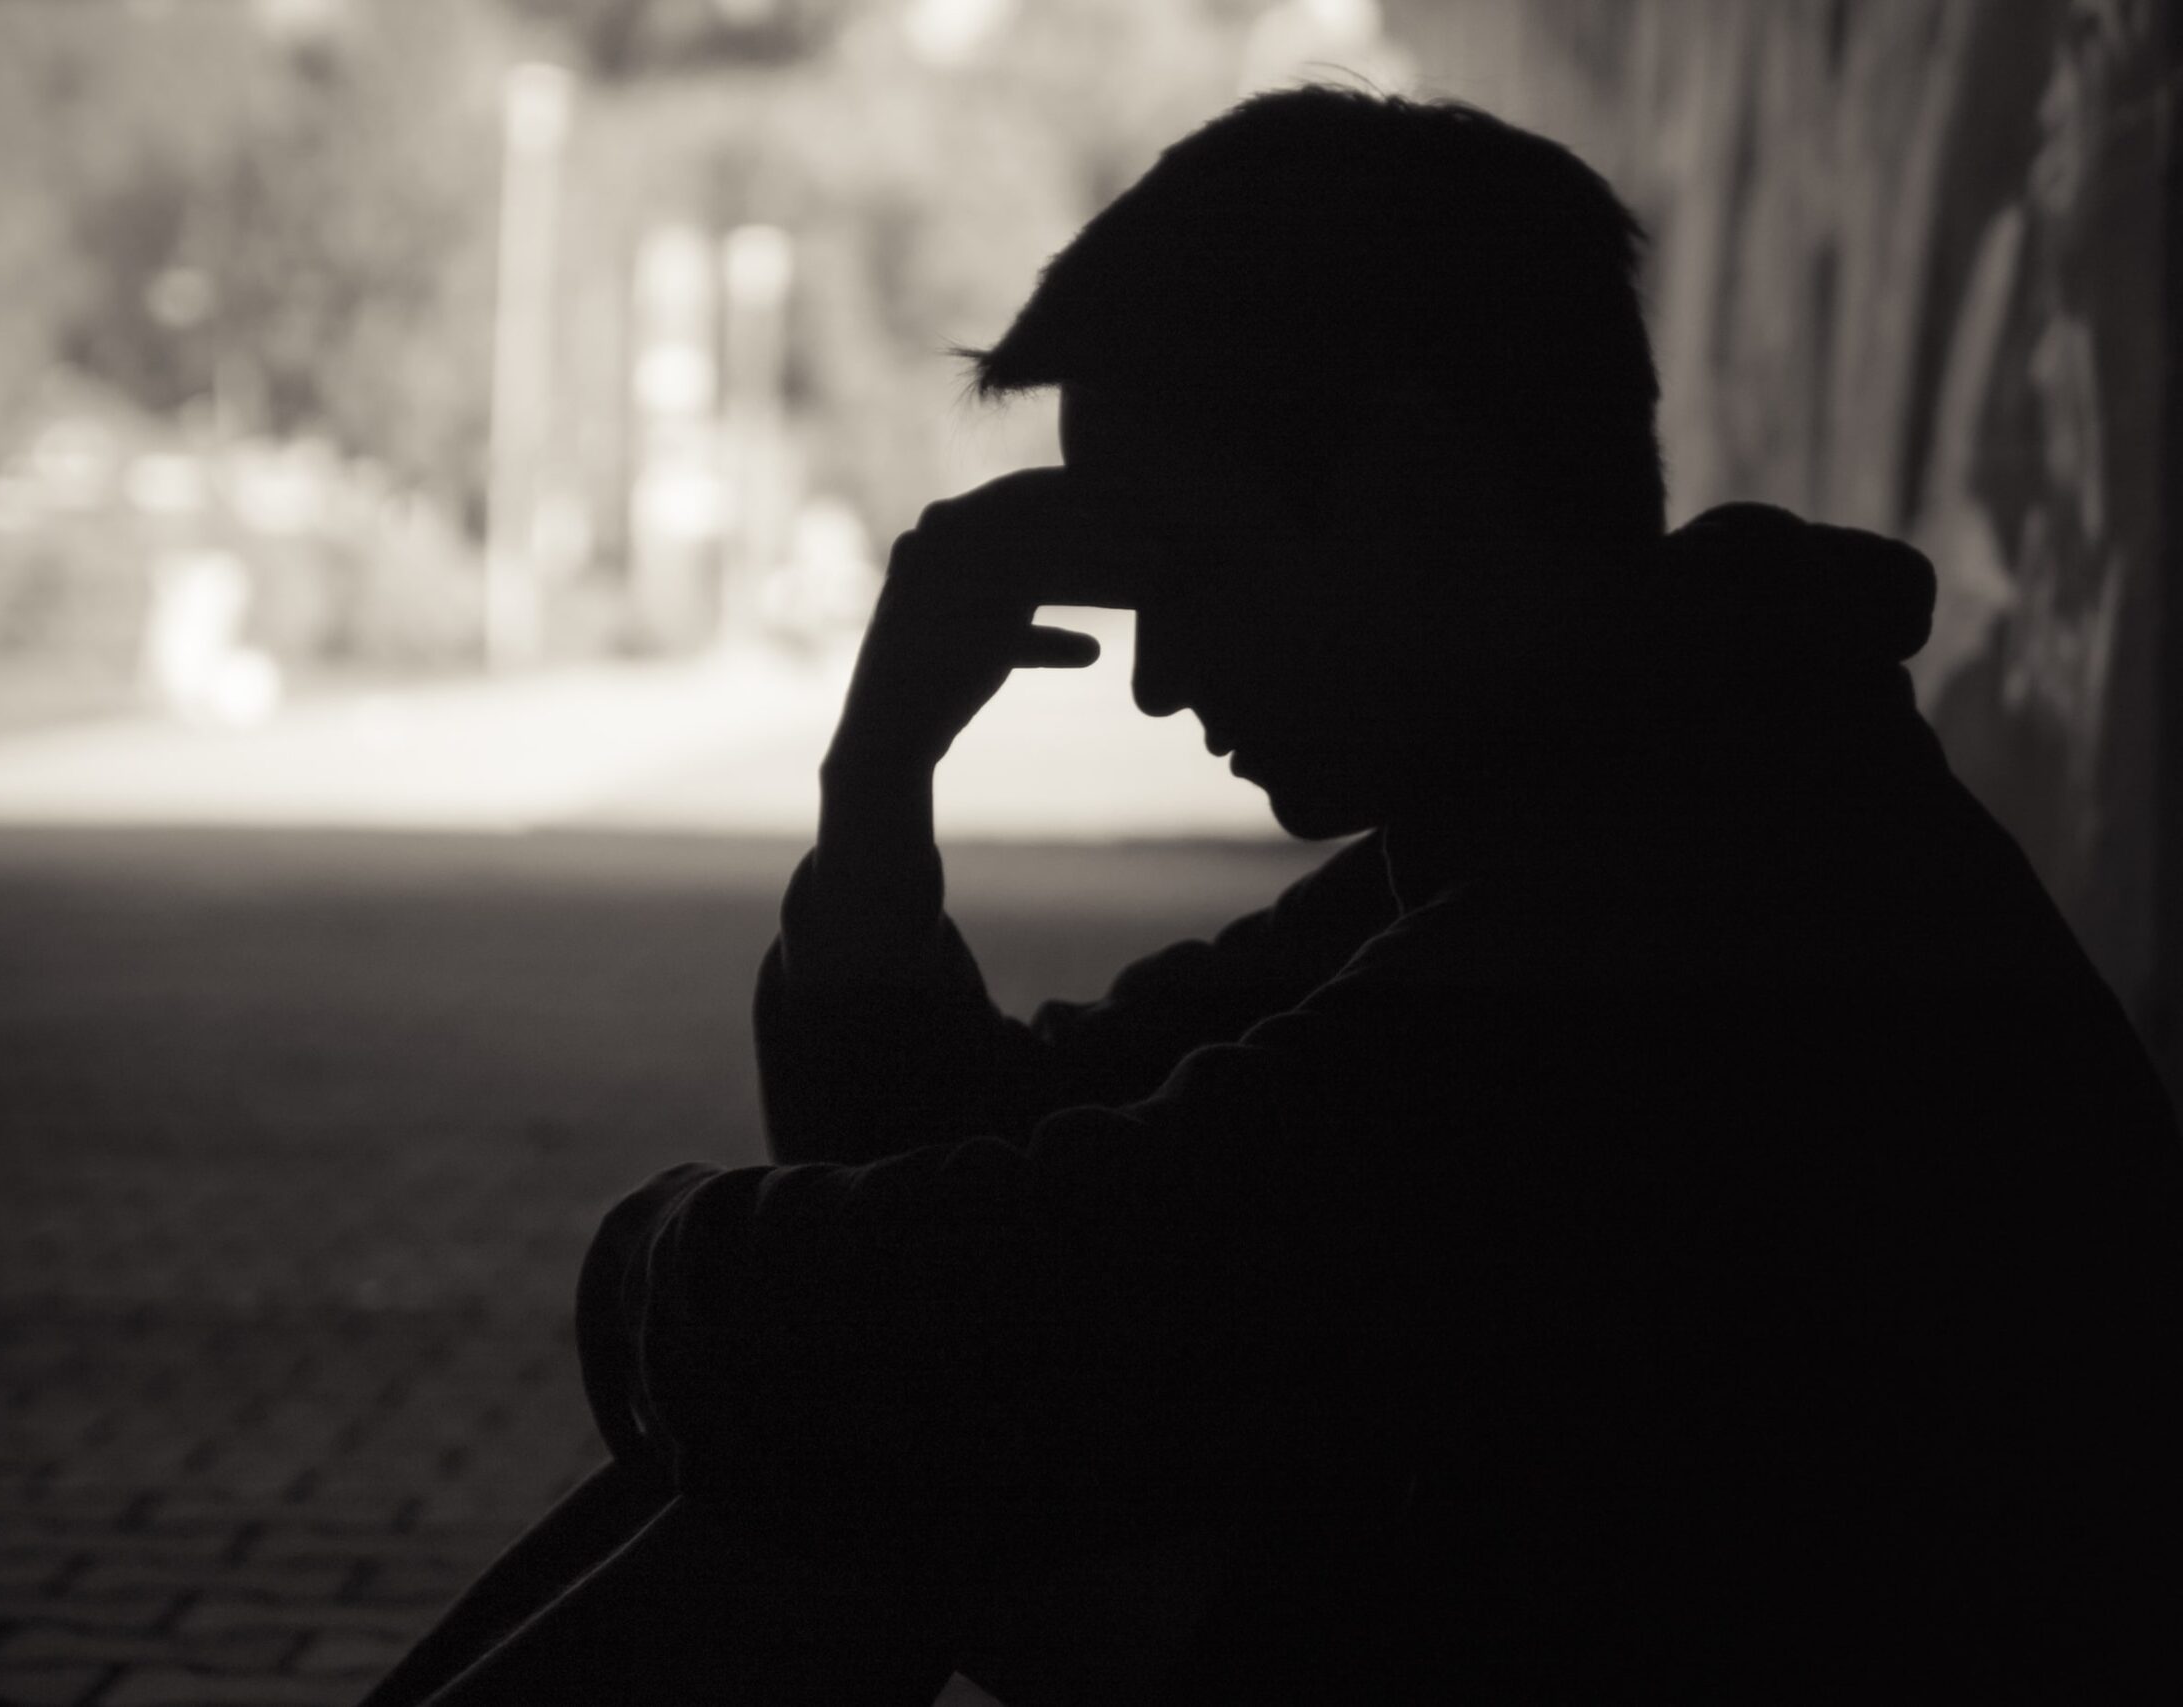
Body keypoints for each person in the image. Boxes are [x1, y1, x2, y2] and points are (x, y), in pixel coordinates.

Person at [362, 87, 2181, 1704]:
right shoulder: (1592, 800)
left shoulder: (1699, 891)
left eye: (1191, 572)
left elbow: (1043, 1290)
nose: (1158, 683)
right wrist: (875, 796)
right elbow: (995, 1184)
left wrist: (658, 1268)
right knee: (912, 1450)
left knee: (907, 1461)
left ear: (1401, 487)